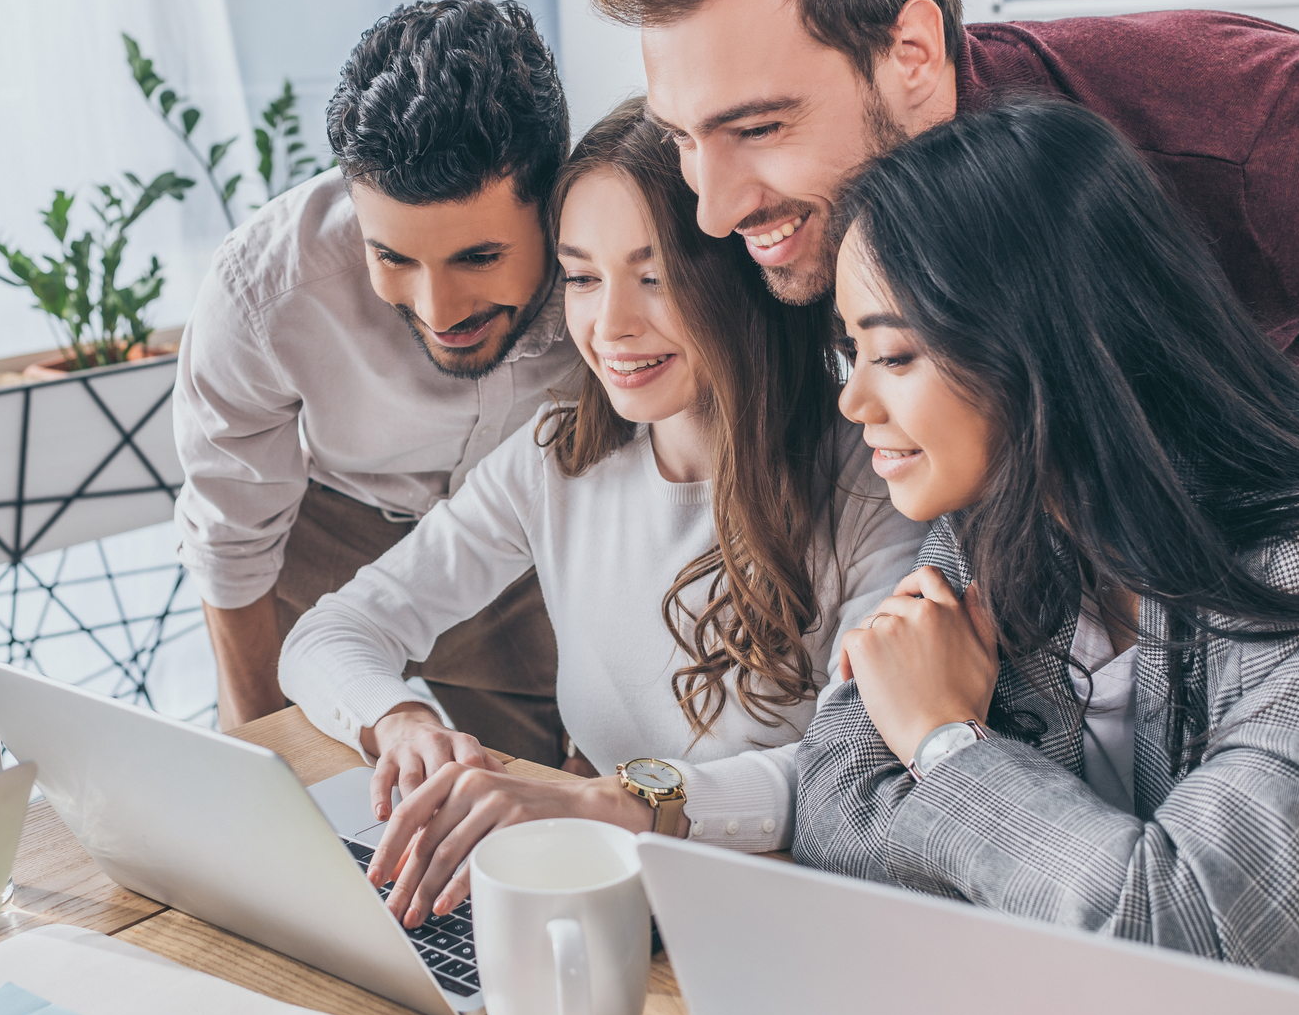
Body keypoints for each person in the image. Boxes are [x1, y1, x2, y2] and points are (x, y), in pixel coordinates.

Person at [593, 0, 1299, 556]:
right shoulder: (766, 198)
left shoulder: (1245, 137)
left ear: (910, 53)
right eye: (682, 137)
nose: (713, 208)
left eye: (759, 129)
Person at [797, 98, 1299, 1015]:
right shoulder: (993, 532)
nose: (855, 399)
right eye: (850, 350)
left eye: (896, 352)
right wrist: (1225, 926)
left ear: (1050, 344)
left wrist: (944, 743)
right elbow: (833, 817)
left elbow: (1173, 919)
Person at [279, 99, 922, 929]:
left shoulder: (876, 477)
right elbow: (329, 635)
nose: (610, 326)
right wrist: (401, 721)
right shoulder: (558, 455)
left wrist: (623, 804)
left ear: (736, 271)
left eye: (654, 277)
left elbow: (857, 770)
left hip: (789, 918)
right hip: (606, 897)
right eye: (582, 276)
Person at [173, 0, 577, 760]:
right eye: (393, 257)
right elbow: (230, 536)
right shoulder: (262, 290)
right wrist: (260, 752)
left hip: (517, 560)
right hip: (321, 533)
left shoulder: (618, 261)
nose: (439, 308)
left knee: (542, 806)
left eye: (478, 257)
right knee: (298, 797)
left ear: (552, 206)